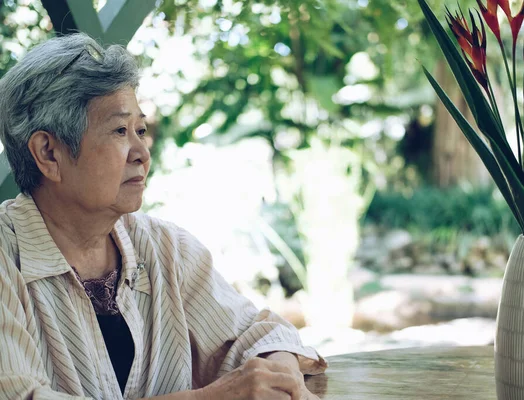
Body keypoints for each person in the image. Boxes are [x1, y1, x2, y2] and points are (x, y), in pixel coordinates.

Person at [0, 33, 327, 399]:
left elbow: (261, 334)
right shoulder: (5, 258)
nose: (141, 152)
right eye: (120, 130)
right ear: (48, 153)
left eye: (141, 130)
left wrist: (277, 373)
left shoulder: (166, 249)